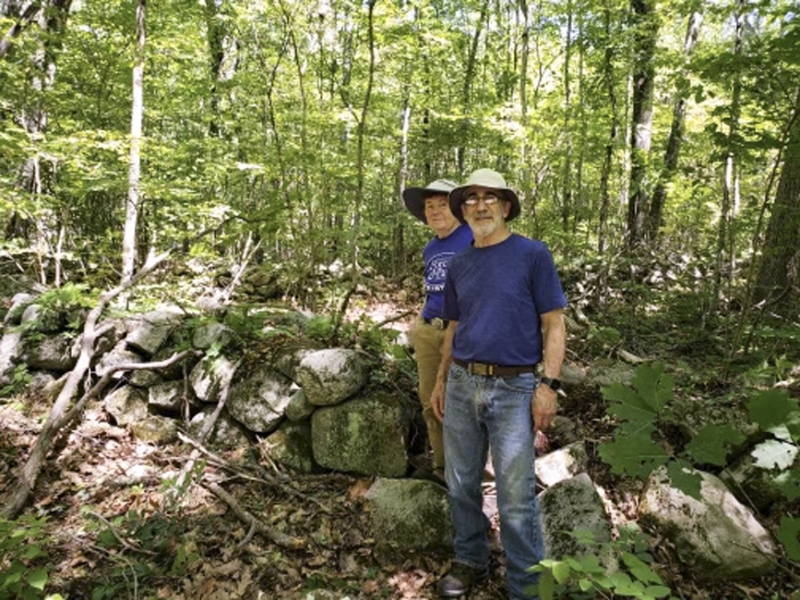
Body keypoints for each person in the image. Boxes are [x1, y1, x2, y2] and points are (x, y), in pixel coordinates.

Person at [430, 168, 567, 599]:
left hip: (514, 388)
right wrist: (440, 381)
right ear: (463, 209)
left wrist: (550, 385)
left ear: (506, 207)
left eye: (491, 197)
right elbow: (453, 326)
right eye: (471, 198)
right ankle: (470, 558)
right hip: (462, 381)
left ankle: (525, 585)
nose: (480, 205)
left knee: (515, 495)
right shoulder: (461, 262)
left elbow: (554, 324)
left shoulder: (532, 254)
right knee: (461, 481)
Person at [403, 179, 473, 486]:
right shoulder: (431, 247)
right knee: (430, 401)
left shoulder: (472, 237)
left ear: (456, 209)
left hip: (463, 332)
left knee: (467, 404)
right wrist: (419, 322)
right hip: (429, 330)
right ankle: (443, 470)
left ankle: (476, 479)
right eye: (429, 206)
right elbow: (434, 289)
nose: (434, 211)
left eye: (441, 204)